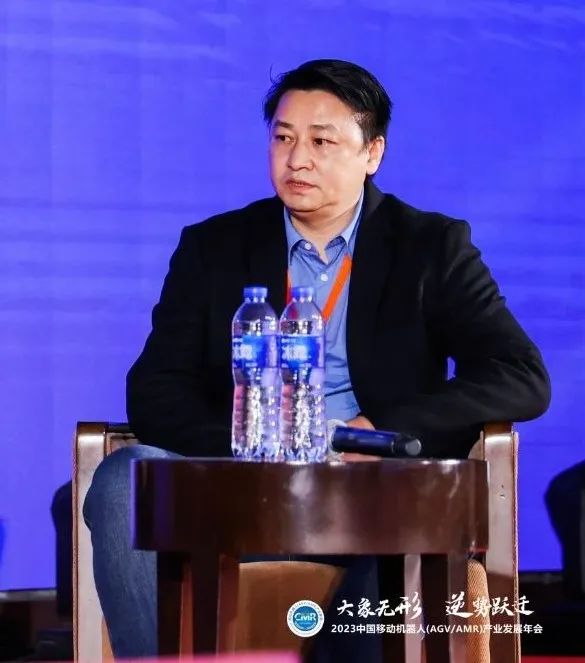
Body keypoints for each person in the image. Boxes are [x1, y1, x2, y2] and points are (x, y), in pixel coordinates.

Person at [83, 59, 551, 661]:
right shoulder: (213, 247)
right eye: (283, 138)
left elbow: (521, 376)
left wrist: (377, 431)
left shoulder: (430, 247)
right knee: (124, 480)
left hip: (369, 499)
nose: (297, 159)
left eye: (321, 142)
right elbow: (154, 388)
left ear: (372, 153)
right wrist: (253, 446)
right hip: (239, 488)